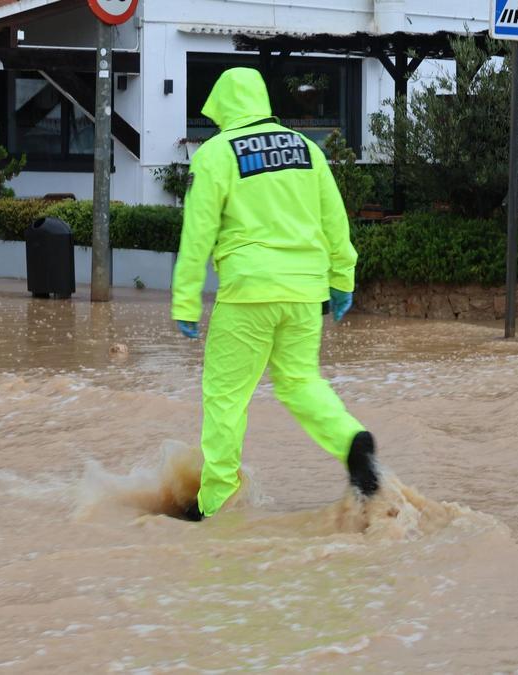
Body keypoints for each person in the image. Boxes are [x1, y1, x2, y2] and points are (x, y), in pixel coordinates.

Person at [171, 67, 380, 522]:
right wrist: (341, 280)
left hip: (248, 292)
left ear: (223, 107)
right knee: (301, 383)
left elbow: (197, 234)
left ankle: (215, 505)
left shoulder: (215, 154)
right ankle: (352, 440)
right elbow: (334, 222)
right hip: (305, 294)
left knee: (226, 397)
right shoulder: (307, 150)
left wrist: (186, 300)